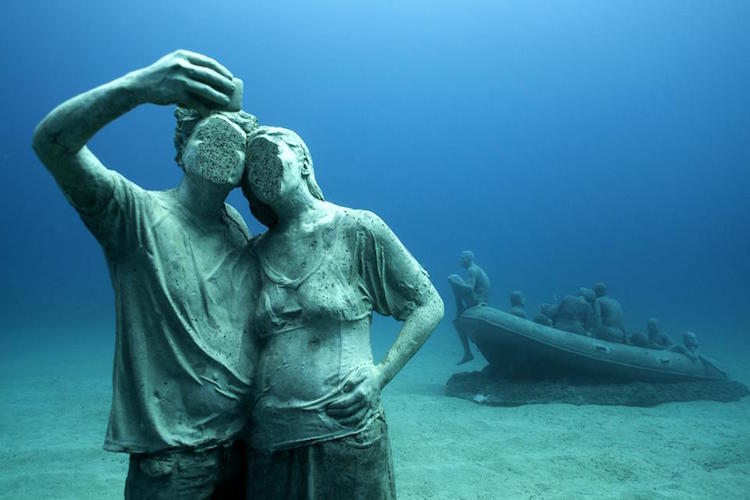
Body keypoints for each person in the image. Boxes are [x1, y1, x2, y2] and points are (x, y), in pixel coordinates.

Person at [32, 51, 258, 499]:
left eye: (235, 141)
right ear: (180, 150)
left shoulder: (235, 225)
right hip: (173, 462)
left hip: (245, 447)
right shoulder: (135, 214)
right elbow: (51, 143)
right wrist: (138, 86)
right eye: (208, 136)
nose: (222, 148)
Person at [241, 126, 444, 499]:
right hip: (268, 441)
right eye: (252, 163)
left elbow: (428, 304)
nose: (263, 165)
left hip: (345, 435)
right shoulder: (253, 253)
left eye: (271, 151)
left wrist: (380, 376)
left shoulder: (357, 229)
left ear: (303, 160)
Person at [448, 250, 491, 364]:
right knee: (457, 323)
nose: (461, 261)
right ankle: (467, 353)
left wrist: (453, 282)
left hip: (478, 301)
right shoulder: (474, 269)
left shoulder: (472, 270)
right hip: (478, 299)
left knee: (454, 278)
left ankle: (459, 309)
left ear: (469, 259)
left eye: (463, 258)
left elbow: (469, 289)